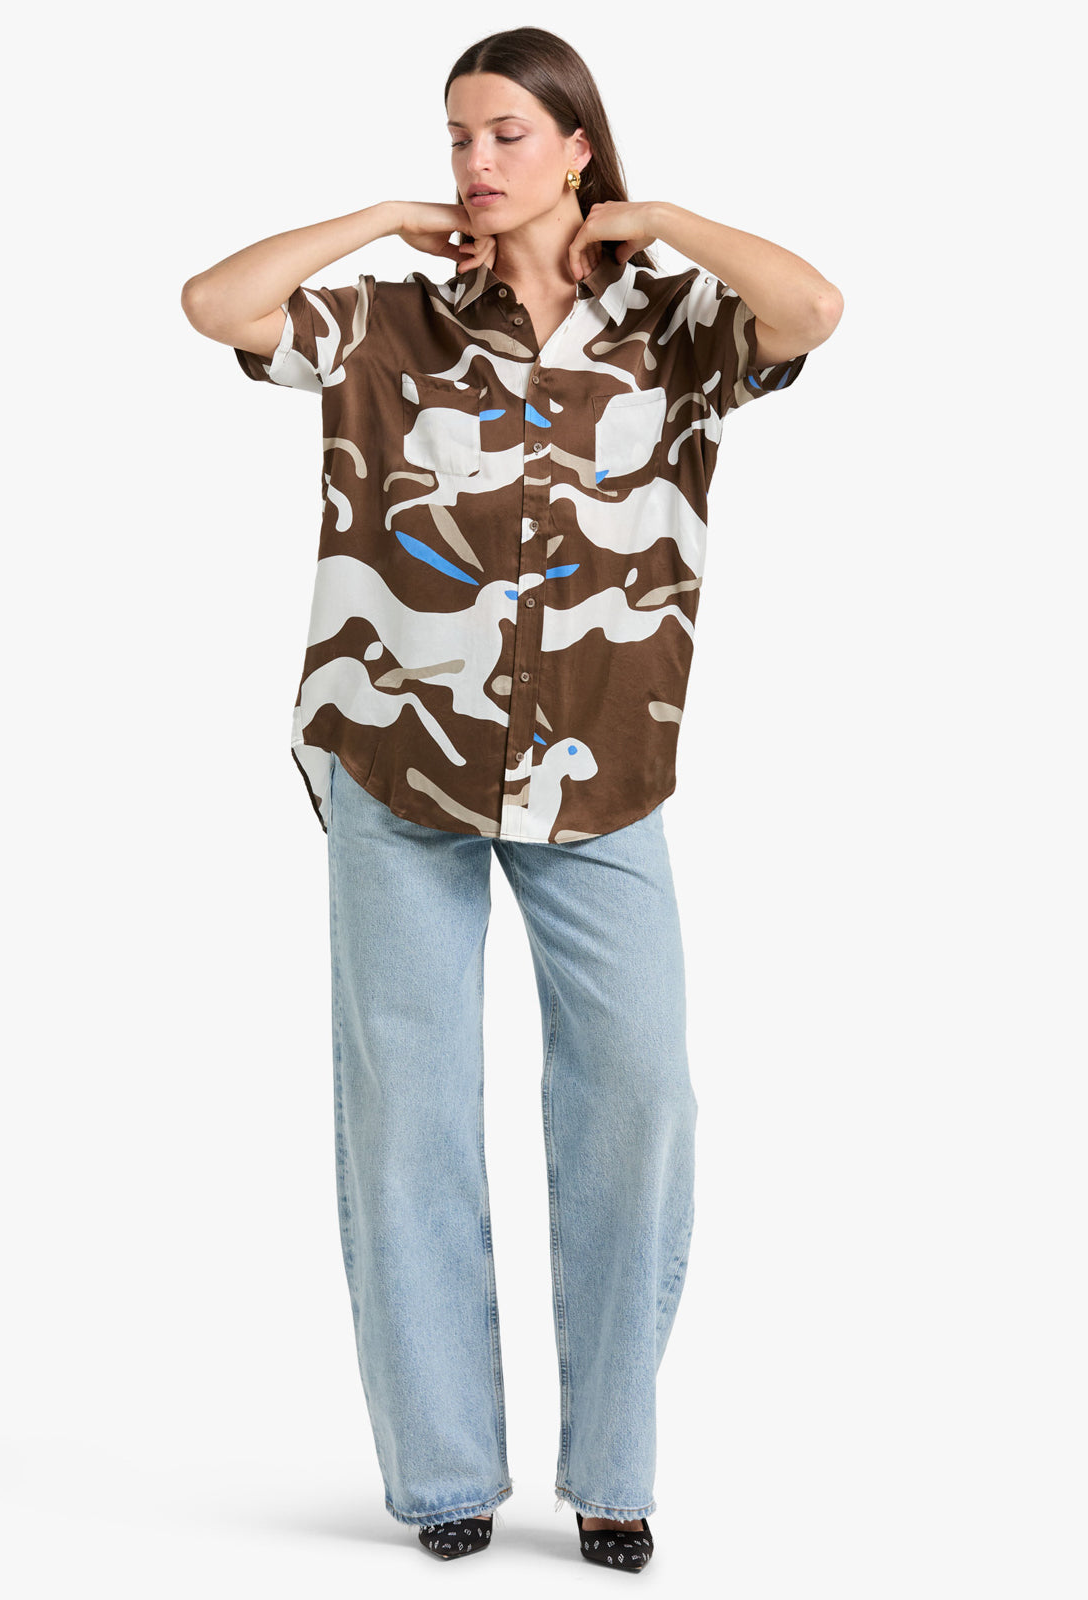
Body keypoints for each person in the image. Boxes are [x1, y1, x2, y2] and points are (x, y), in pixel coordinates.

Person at [182, 24, 842, 1571]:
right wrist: (378, 217)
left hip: (602, 766)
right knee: (406, 1115)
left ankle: (612, 1469)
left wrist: (654, 221)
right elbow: (217, 306)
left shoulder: (677, 323)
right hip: (393, 757)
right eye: (456, 136)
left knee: (639, 1095)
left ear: (575, 148)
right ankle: (444, 1479)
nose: (473, 162)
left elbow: (813, 309)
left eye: (504, 136)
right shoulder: (386, 318)